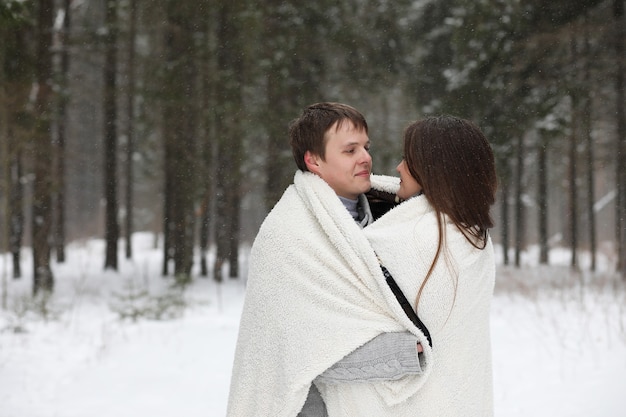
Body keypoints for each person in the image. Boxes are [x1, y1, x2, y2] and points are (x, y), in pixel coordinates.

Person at [226, 103, 433, 417]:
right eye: (350, 150)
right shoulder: (287, 236)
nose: (365, 157)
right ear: (314, 160)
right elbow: (291, 356)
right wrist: (403, 350)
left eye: (366, 147)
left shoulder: (395, 218)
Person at [316, 115, 498, 416]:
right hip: (462, 402)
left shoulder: (406, 240)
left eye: (408, 160)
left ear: (433, 170)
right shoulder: (474, 236)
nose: (398, 168)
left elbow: (327, 343)